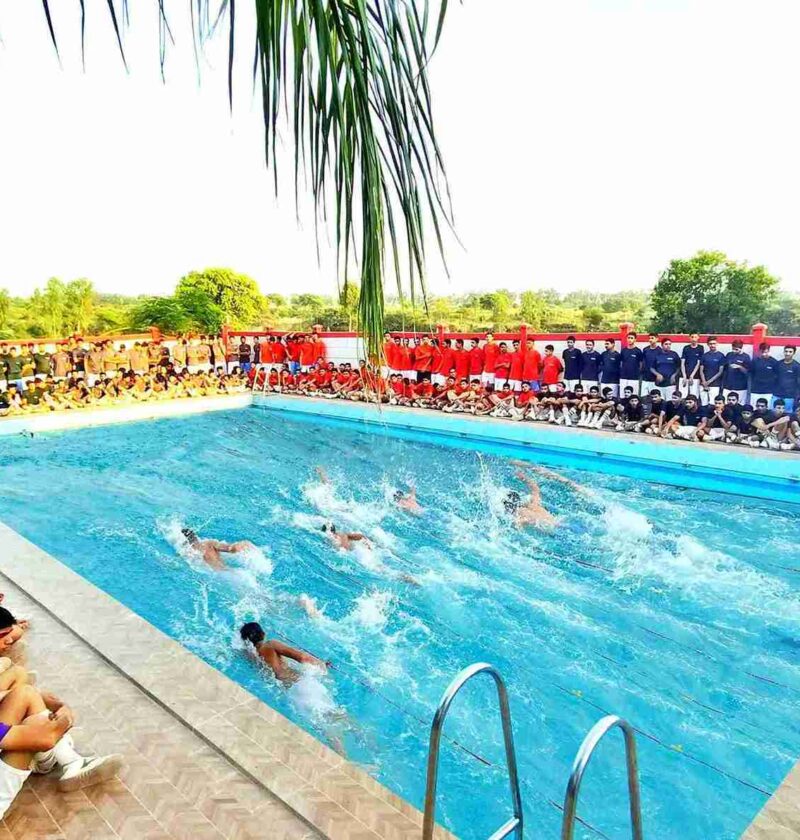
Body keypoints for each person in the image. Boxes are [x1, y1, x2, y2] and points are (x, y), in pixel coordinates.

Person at [239, 622, 326, 685]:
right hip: (297, 682)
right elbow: (302, 657)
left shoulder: (250, 655)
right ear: (263, 634)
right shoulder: (270, 644)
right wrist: (321, 663)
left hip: (283, 686)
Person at [180, 528, 255, 570]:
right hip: (227, 572)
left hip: (219, 577)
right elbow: (230, 549)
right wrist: (242, 544)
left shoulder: (190, 552)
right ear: (196, 536)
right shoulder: (209, 544)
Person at [699, 337, 726, 406]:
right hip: (703, 384)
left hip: (715, 385)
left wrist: (709, 382)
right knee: (703, 404)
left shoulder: (721, 356)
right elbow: (701, 370)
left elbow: (720, 371)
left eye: (714, 343)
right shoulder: (704, 356)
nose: (712, 345)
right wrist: (704, 382)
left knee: (713, 404)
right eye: (710, 344)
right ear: (708, 344)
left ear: (717, 344)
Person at [773, 346, 800, 412]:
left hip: (789, 396)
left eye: (790, 352)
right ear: (784, 352)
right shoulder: (778, 364)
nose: (787, 353)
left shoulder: (797, 366)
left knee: (787, 414)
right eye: (786, 351)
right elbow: (774, 378)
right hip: (777, 394)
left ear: (794, 353)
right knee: (774, 413)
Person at [680, 333, 704, 398]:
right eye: (692, 337)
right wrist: (684, 375)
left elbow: (698, 363)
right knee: (682, 396)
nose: (693, 339)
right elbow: (682, 363)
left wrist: (692, 376)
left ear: (698, 337)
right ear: (689, 338)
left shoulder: (700, 348)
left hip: (695, 377)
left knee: (694, 397)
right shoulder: (686, 348)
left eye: (695, 337)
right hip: (684, 376)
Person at [619, 332, 643, 396]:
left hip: (634, 377)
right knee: (622, 395)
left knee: (633, 396)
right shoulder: (623, 350)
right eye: (628, 338)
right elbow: (621, 363)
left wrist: (637, 373)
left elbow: (641, 364)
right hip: (623, 377)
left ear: (635, 340)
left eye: (631, 338)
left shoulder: (638, 351)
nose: (629, 339)